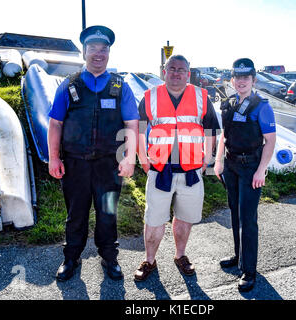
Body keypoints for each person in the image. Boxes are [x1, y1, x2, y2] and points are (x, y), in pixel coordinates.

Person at [48, 25, 139, 281]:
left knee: (107, 213)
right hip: (75, 165)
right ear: (84, 52)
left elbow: (132, 125)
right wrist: (54, 157)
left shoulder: (121, 87)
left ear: (108, 52)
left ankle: (109, 258)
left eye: (103, 49)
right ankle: (71, 258)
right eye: (93, 49)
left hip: (108, 165)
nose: (98, 54)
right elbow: (55, 124)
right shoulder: (69, 85)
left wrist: (130, 157)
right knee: (75, 214)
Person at [134, 55, 220, 281]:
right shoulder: (149, 96)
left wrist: (208, 159)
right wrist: (143, 159)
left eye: (181, 69)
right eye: (171, 68)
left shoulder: (202, 96)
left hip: (191, 171)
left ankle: (180, 256)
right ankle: (149, 260)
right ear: (164, 71)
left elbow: (211, 129)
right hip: (160, 170)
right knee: (154, 220)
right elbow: (139, 131)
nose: (176, 73)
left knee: (184, 218)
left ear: (188, 73)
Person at [214, 58, 276, 292]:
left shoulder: (262, 106)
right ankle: (238, 257)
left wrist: (261, 169)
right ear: (232, 80)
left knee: (248, 219)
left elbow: (270, 141)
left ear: (253, 80)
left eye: (246, 78)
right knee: (235, 213)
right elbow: (224, 136)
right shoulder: (228, 103)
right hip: (231, 166)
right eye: (237, 77)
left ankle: (249, 271)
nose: (241, 81)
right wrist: (218, 162)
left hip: (251, 168)